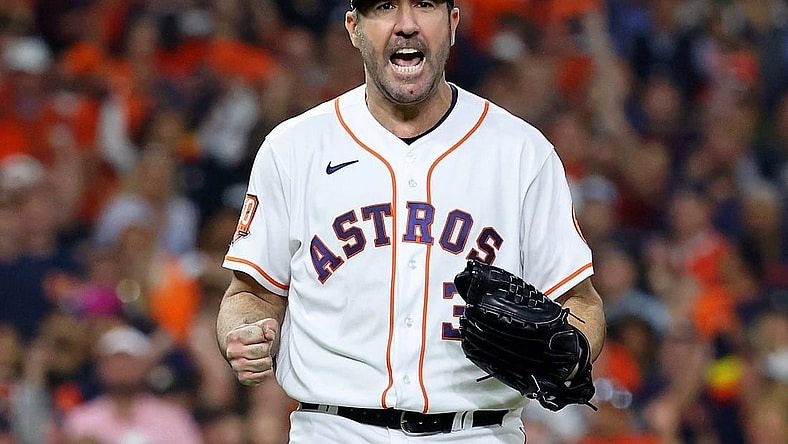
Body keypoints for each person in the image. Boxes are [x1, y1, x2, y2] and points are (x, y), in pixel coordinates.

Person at [216, 1, 605, 442]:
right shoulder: (293, 147)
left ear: (453, 24)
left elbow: (581, 302)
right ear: (353, 28)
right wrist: (244, 330)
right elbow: (249, 294)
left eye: (424, 5)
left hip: (476, 433)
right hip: (333, 430)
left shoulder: (521, 152)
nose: (405, 25)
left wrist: (570, 353)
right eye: (383, 7)